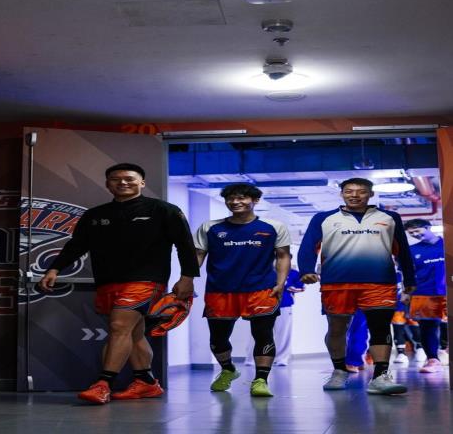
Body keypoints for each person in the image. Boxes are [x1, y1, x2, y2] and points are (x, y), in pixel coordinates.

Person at [39, 163, 200, 404]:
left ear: (142, 182)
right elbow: (77, 245)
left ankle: (103, 384)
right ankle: (146, 382)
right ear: (108, 184)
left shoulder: (163, 210)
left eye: (129, 178)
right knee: (133, 333)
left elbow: (185, 245)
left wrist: (187, 278)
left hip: (146, 280)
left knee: (118, 327)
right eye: (116, 179)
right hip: (107, 281)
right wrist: (54, 268)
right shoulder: (95, 215)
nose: (123, 182)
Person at [298, 178, 416, 395]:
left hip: (380, 282)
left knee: (380, 328)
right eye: (349, 191)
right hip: (336, 282)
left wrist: (409, 279)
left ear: (370, 194)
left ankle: (380, 376)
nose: (354, 195)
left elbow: (403, 250)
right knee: (337, 328)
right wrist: (306, 269)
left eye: (361, 191)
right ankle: (339, 370)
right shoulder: (323, 218)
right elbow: (308, 246)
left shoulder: (390, 217)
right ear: (341, 194)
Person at [194, 183, 291, 397]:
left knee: (263, 334)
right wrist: (186, 279)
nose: (235, 202)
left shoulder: (273, 226)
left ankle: (261, 380)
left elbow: (283, 255)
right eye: (230, 198)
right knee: (218, 338)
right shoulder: (210, 228)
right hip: (220, 290)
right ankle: (228, 369)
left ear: (255, 200)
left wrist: (281, 283)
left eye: (241, 198)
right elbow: (198, 255)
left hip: (261, 289)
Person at [404, 218, 447, 372]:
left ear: (428, 227)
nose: (415, 234)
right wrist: (406, 292)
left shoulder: (447, 244)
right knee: (427, 327)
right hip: (423, 292)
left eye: (417, 231)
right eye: (411, 233)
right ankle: (432, 360)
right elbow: (408, 274)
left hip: (447, 290)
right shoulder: (411, 250)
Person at [244, 262, 305, 366]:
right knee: (258, 332)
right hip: (263, 305)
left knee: (283, 333)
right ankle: (251, 358)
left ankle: (282, 359)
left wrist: (285, 285)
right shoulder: (263, 271)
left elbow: (301, 287)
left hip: (284, 305)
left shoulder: (293, 273)